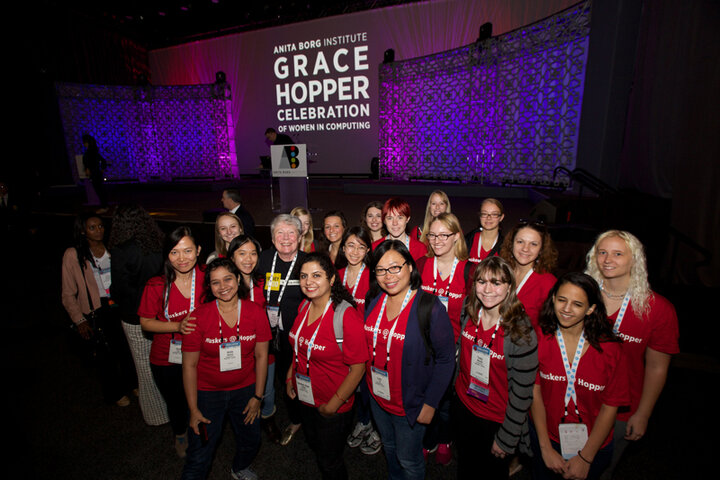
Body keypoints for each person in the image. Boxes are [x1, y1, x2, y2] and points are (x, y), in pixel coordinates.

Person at [585, 230, 680, 480]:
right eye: (602, 252)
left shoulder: (657, 310)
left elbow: (657, 368)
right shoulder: (581, 297)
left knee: (600, 471)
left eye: (618, 254)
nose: (607, 259)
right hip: (575, 401)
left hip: (621, 410)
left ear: (634, 260)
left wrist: (643, 413)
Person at [364, 240, 455, 479]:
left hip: (410, 404)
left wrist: (431, 403)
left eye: (395, 267)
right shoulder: (374, 300)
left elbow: (446, 360)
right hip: (378, 395)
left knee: (409, 459)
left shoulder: (429, 307)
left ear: (410, 268)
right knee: (390, 448)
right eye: (381, 270)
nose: (388, 276)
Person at [530, 273, 627, 480]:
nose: (566, 309)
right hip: (546, 438)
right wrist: (545, 447)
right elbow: (534, 391)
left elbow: (611, 406)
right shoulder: (540, 337)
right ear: (553, 299)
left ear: (590, 309)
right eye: (562, 300)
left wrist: (586, 458)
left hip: (593, 445)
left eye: (577, 304)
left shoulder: (610, 349)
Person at [181, 258, 270, 480]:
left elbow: (261, 356)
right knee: (200, 451)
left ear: (238, 279)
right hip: (208, 393)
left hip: (246, 390)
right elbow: (189, 366)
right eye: (215, 283)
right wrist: (193, 409)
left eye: (228, 279)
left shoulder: (256, 312)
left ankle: (239, 467)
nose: (223, 287)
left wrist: (258, 396)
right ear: (209, 287)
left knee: (251, 439)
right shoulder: (198, 317)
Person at [453, 256, 538, 479]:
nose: (488, 289)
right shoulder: (469, 310)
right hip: (464, 405)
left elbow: (522, 393)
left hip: (496, 420)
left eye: (497, 283)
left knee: (490, 473)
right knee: (465, 466)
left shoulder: (521, 332)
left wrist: (508, 437)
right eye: (481, 282)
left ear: (509, 287)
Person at [286, 253, 369, 479]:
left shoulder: (345, 316)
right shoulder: (304, 306)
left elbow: (358, 368)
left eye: (316, 275)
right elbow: (298, 347)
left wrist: (333, 405)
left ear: (331, 279)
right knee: (315, 444)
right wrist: (289, 377)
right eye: (303, 276)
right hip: (306, 397)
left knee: (329, 461)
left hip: (333, 404)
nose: (308, 281)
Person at [138, 226, 205, 457]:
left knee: (202, 399)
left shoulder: (209, 279)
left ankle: (202, 432)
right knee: (176, 402)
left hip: (202, 355)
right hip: (167, 356)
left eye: (187, 251)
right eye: (174, 252)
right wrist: (177, 326)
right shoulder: (156, 284)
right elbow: (145, 322)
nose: (182, 258)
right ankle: (180, 434)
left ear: (198, 250)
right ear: (167, 254)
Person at [61, 213, 135, 406]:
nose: (98, 230)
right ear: (83, 231)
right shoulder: (73, 254)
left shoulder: (112, 249)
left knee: (126, 349)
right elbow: (68, 292)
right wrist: (79, 319)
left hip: (118, 305)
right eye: (92, 227)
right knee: (105, 355)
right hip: (96, 309)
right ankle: (115, 392)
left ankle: (133, 383)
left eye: (101, 226)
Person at [417, 212, 470, 465]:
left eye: (443, 235)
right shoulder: (420, 265)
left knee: (447, 403)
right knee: (425, 396)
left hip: (454, 351)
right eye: (432, 235)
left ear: (456, 236)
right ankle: (427, 440)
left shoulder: (469, 270)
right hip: (424, 347)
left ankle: (445, 440)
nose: (437, 241)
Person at [108, 204, 168, 426]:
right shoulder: (159, 244)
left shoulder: (122, 250)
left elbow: (119, 288)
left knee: (144, 367)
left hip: (134, 316)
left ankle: (157, 416)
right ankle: (175, 405)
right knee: (166, 362)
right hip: (162, 313)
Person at [257, 214, 307, 445]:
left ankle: (298, 419)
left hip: (296, 337)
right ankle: (271, 413)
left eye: (291, 233)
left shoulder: (308, 263)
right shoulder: (262, 260)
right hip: (267, 334)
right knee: (273, 378)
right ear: (272, 237)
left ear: (299, 236)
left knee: (294, 379)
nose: (285, 238)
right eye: (280, 233)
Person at [228, 234, 282, 443]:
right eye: (242, 253)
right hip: (236, 348)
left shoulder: (265, 281)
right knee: (241, 389)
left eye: (253, 254)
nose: (248, 259)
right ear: (232, 257)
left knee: (267, 389)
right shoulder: (227, 285)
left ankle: (268, 418)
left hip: (263, 346)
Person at [335, 227, 380, 455]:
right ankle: (360, 421)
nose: (355, 251)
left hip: (367, 344)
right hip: (341, 343)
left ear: (367, 250)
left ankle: (372, 424)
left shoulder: (374, 277)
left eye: (361, 247)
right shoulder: (336, 274)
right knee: (350, 387)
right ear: (343, 248)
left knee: (368, 388)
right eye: (350, 245)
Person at [500, 220, 558, 329]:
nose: (525, 249)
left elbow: (550, 326)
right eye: (520, 242)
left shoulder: (548, 283)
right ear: (511, 243)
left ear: (541, 249)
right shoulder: (501, 271)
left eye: (533, 244)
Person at [465, 198, 505, 264]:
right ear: (480, 216)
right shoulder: (467, 240)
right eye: (484, 214)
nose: (488, 218)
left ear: (501, 217)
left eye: (494, 214)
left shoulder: (506, 246)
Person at [82, 134, 108, 208]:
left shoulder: (89, 153)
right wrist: (102, 169)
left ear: (87, 143)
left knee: (100, 191)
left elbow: (102, 161)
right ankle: (104, 206)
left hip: (95, 174)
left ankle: (104, 207)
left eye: (84, 142)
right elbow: (103, 161)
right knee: (100, 190)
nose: (84, 144)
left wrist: (88, 169)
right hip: (96, 173)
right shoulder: (93, 151)